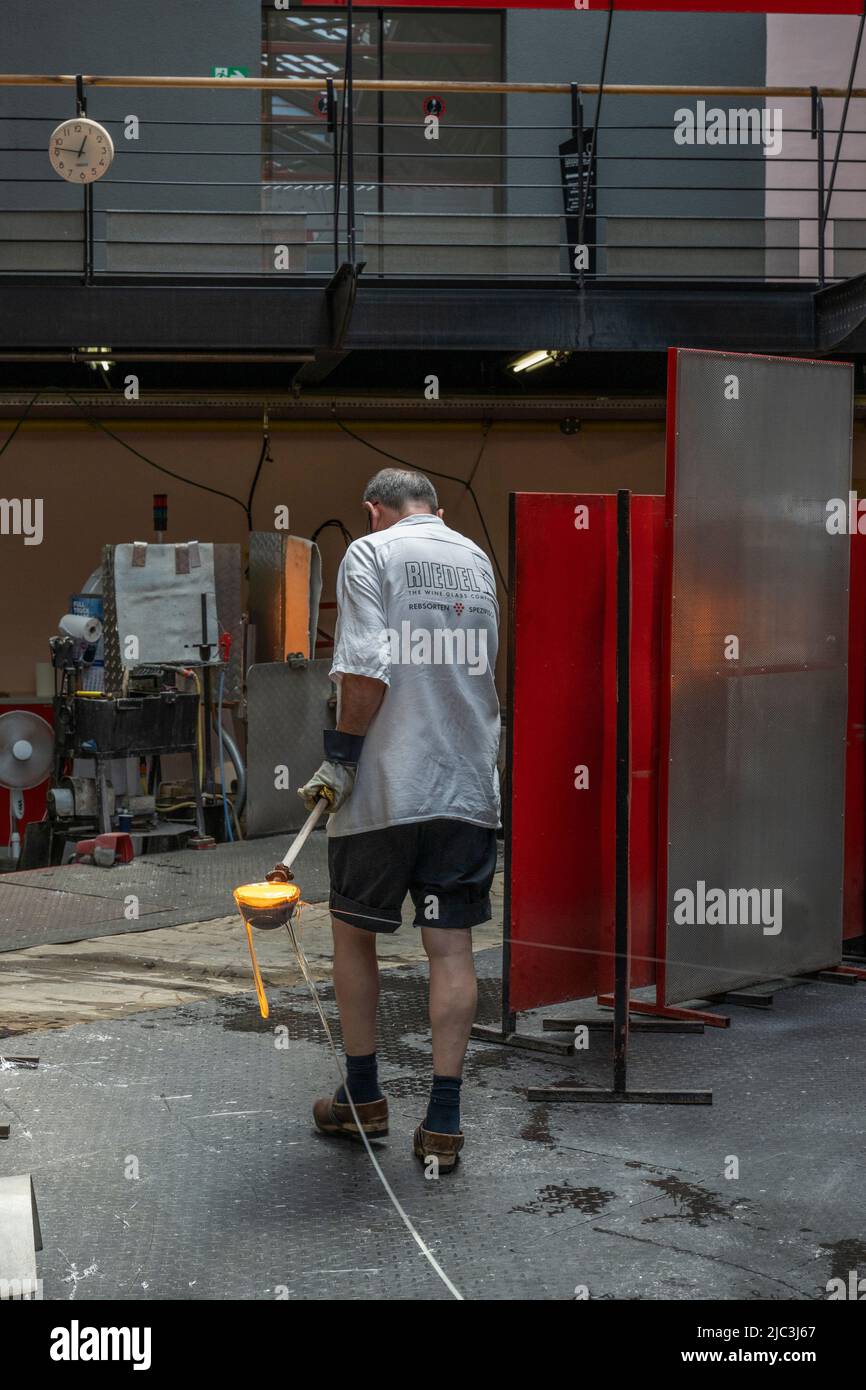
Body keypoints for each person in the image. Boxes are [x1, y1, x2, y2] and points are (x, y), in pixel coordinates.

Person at [298, 467, 501, 1173]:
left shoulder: (371, 552)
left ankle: (362, 1099)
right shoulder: (474, 559)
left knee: (354, 939)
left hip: (387, 787)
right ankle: (442, 1120)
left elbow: (365, 666)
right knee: (452, 950)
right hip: (466, 786)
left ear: (373, 510)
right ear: (436, 511)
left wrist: (342, 756)